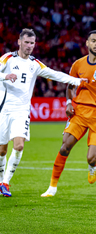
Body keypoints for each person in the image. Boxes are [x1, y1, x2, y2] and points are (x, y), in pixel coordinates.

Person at [0, 28, 87, 197]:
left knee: (18, 145)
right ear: (19, 42)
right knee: (2, 150)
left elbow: (55, 75)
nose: (29, 46)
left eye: (32, 43)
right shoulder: (7, 59)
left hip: (22, 111)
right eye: (26, 42)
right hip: (4, 109)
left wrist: (77, 81)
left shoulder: (35, 64)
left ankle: (6, 183)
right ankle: (1, 180)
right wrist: (5, 76)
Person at [41, 30, 96, 197]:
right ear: (87, 43)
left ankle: (93, 164)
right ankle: (52, 187)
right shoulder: (78, 64)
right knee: (65, 146)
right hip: (80, 111)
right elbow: (70, 86)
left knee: (91, 157)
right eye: (93, 41)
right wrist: (68, 102)